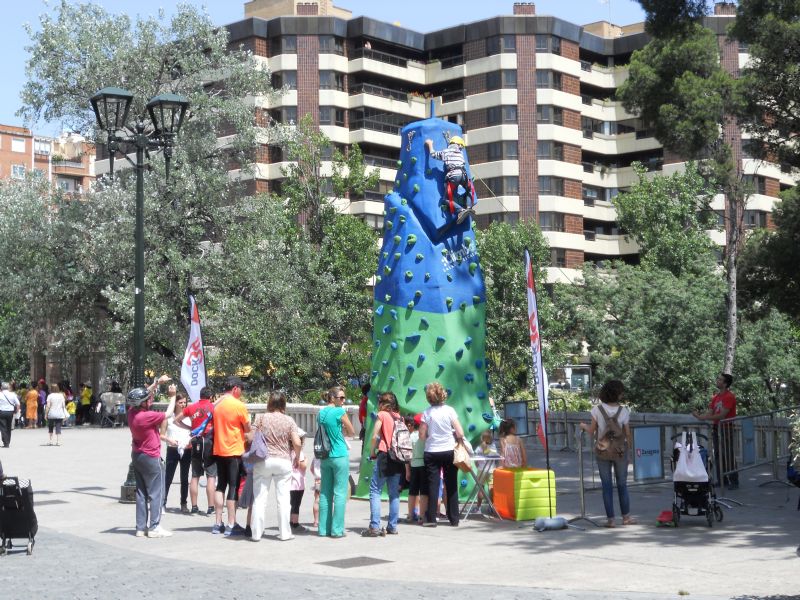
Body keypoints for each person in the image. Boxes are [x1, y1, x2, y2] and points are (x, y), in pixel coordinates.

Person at [580, 380, 636, 527]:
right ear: (617, 394)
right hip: (620, 452)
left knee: (606, 486)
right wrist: (628, 453)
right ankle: (626, 517)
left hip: (602, 451)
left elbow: (592, 431)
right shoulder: (624, 412)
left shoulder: (597, 410)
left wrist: (583, 426)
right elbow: (627, 434)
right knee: (622, 484)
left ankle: (611, 520)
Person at [250, 390, 301, 542]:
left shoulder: (260, 418)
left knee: (259, 499)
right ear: (283, 404)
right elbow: (297, 442)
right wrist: (297, 457)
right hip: (283, 461)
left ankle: (256, 534)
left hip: (263, 460)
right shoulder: (289, 420)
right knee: (283, 499)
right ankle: (285, 533)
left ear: (269, 403)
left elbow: (251, 437)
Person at [128, 374, 173, 538]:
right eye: (148, 399)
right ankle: (154, 527)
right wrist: (173, 397)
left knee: (141, 492)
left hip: (137, 455)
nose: (150, 400)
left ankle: (140, 527)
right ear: (143, 403)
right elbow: (168, 413)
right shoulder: (147, 416)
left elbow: (140, 396)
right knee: (156, 492)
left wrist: (155, 384)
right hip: (151, 456)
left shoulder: (132, 413)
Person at [419, 381, 466, 527]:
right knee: (451, 483)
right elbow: (460, 432)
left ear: (429, 397)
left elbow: (421, 435)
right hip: (448, 450)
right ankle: (454, 518)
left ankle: (432, 518)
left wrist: (430, 437)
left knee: (433, 485)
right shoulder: (450, 411)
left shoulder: (426, 413)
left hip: (432, 451)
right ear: (443, 395)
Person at [211, 375, 251, 536]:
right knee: (233, 487)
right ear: (235, 388)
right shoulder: (238, 405)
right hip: (234, 450)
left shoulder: (217, 405)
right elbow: (248, 429)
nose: (241, 392)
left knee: (221, 485)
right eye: (241, 389)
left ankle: (217, 522)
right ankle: (231, 524)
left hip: (218, 449)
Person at [363, 391, 405, 537]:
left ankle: (374, 526)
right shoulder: (399, 417)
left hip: (384, 455)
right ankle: (392, 526)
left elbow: (375, 435)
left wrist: (372, 451)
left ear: (382, 403)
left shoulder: (382, 415)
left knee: (375, 490)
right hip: (397, 458)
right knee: (394, 494)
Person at [172, 386, 217, 515]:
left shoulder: (191, 407)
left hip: (195, 440)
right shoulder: (213, 408)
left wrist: (189, 427)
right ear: (210, 397)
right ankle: (211, 507)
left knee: (195, 475)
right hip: (209, 441)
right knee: (211, 475)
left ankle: (194, 507)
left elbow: (176, 420)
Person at [317, 386, 355, 538]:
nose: (343, 400)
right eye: (341, 398)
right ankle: (337, 530)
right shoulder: (340, 412)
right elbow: (352, 431)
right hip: (339, 454)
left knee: (325, 492)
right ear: (332, 398)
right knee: (340, 493)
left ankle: (323, 529)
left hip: (324, 455)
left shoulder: (321, 413)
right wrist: (343, 432)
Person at [693, 373, 739, 489]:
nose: (717, 380)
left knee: (728, 454)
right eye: (717, 378)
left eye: (720, 379)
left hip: (726, 428)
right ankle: (722, 480)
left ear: (725, 383)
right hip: (716, 428)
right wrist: (699, 416)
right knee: (718, 454)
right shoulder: (716, 397)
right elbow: (710, 412)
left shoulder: (729, 396)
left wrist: (703, 418)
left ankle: (734, 480)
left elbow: (722, 415)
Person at [424, 135, 476, 224]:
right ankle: (468, 207)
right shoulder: (460, 153)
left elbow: (433, 154)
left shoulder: (446, 152)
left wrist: (430, 144)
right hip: (463, 175)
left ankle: (460, 210)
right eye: (461, 146)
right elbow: (455, 147)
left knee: (446, 199)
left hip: (453, 176)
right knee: (468, 190)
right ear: (459, 145)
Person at [162, 393, 192, 513]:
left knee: (184, 478)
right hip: (172, 448)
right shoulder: (168, 417)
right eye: (180, 402)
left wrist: (190, 440)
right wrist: (170, 440)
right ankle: (162, 502)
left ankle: (183, 503)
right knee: (168, 477)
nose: (183, 404)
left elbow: (194, 432)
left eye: (184, 402)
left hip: (186, 448)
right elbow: (162, 435)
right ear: (175, 403)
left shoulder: (189, 416)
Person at [406, 414, 427, 523]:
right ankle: (421, 516)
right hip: (423, 464)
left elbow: (407, 454)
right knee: (423, 491)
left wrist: (407, 470)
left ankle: (410, 515)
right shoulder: (425, 436)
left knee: (412, 491)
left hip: (413, 464)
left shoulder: (411, 436)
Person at [473, 429, 499, 512]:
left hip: (481, 470)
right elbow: (496, 457)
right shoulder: (493, 446)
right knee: (491, 488)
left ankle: (479, 507)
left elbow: (475, 459)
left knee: (481, 488)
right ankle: (491, 506)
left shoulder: (479, 447)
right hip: (491, 469)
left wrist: (477, 465)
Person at [289, 429, 309, 533]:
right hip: (298, 483)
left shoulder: (287, 452)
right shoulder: (299, 453)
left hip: (289, 482)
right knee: (296, 504)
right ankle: (295, 523)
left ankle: (290, 522)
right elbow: (303, 466)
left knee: (291, 503)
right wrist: (306, 459)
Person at [0, 382, 21, 448]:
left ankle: (5, 442)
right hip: (10, 412)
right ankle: (8, 442)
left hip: (2, 412)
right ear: (8, 387)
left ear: (1, 387)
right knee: (9, 427)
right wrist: (16, 411)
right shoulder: (13, 394)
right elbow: (18, 404)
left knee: (3, 427)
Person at [310, 455, 321, 529]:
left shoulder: (316, 456)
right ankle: (324, 519)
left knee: (317, 500)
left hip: (317, 480)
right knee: (327, 500)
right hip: (326, 479)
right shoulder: (328, 455)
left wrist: (316, 475)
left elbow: (311, 468)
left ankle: (316, 521)